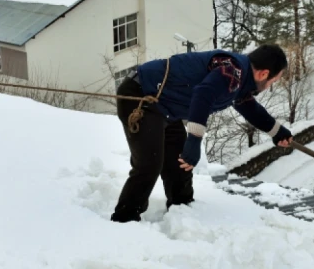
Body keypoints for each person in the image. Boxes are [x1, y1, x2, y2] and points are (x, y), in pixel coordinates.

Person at [111, 44, 294, 223]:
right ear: (263, 74)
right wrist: (194, 140)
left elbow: (249, 107)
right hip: (140, 95)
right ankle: (125, 219)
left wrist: (277, 132)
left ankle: (182, 209)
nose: (270, 85)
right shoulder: (232, 71)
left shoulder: (240, 79)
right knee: (150, 163)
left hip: (165, 107)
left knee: (178, 162)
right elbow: (204, 94)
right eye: (273, 81)